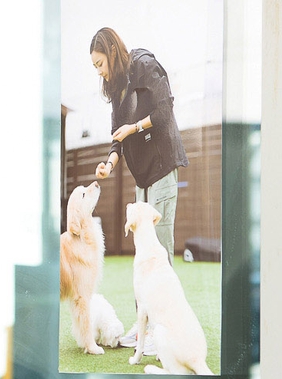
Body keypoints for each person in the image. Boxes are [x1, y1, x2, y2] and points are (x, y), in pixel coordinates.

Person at [90, 27, 189, 350]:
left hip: (161, 166)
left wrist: (134, 126)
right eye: (95, 68)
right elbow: (116, 140)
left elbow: (164, 112)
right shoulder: (117, 89)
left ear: (113, 54)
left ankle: (166, 333)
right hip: (141, 177)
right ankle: (144, 328)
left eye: (100, 64)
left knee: (159, 252)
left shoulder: (145, 66)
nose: (100, 72)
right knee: (142, 256)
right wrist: (109, 164)